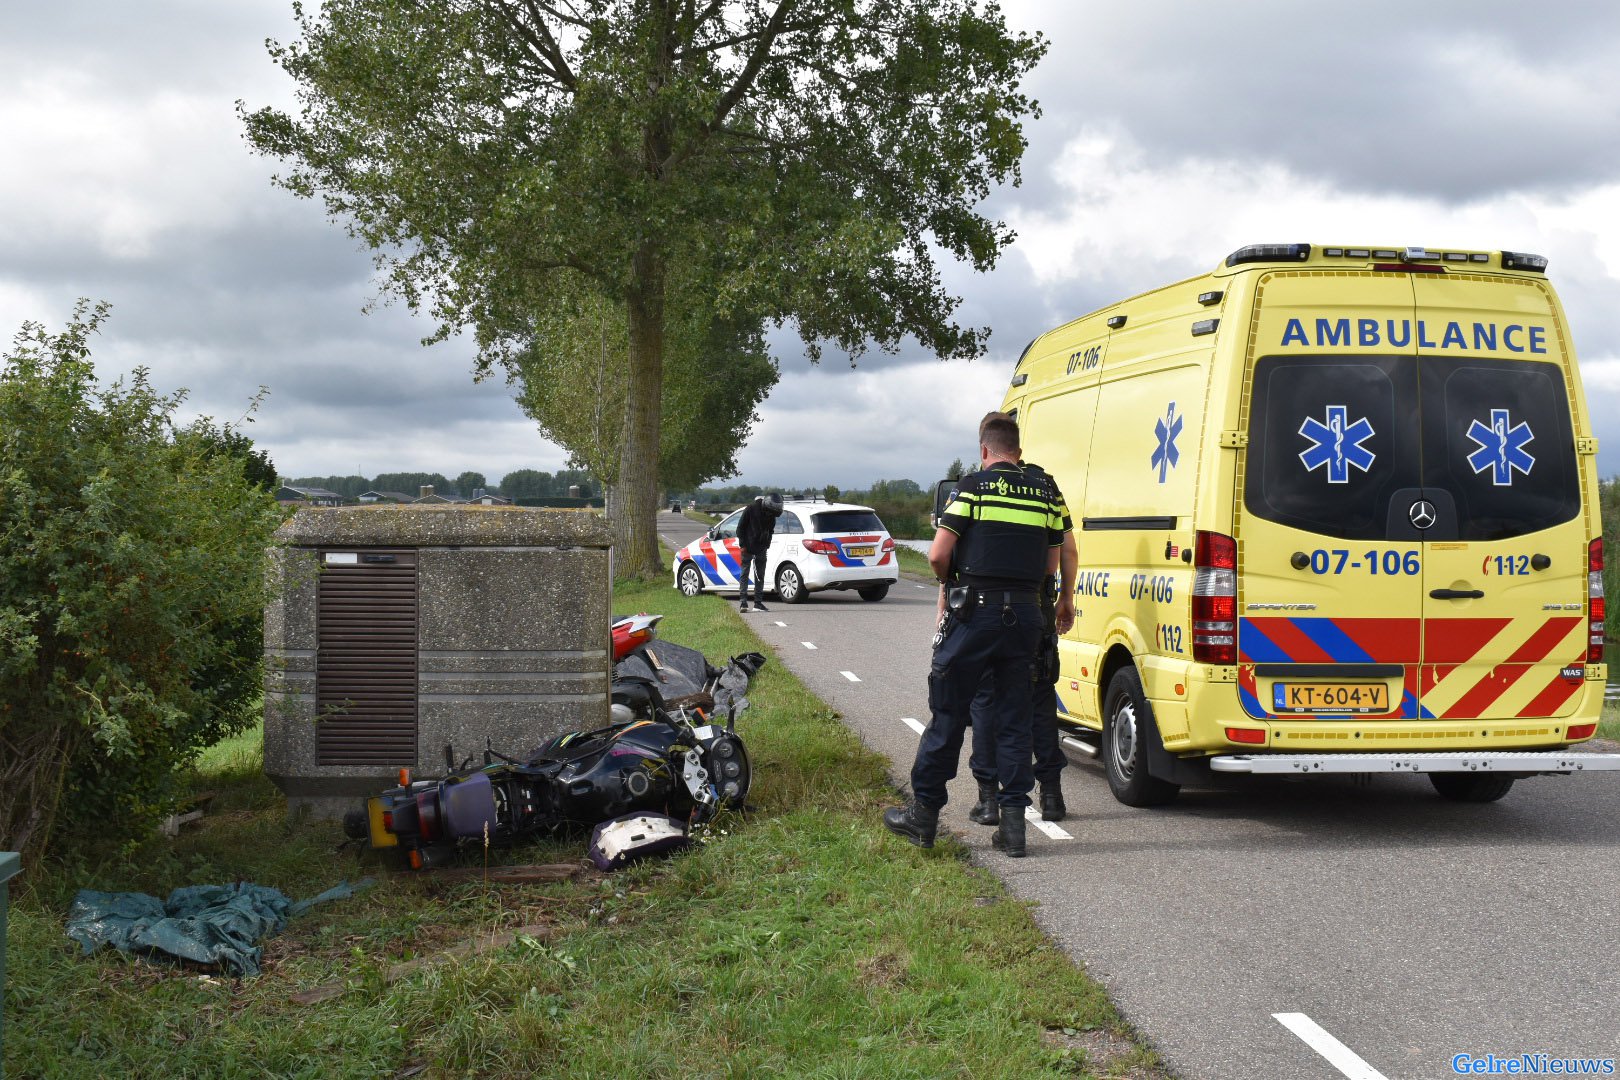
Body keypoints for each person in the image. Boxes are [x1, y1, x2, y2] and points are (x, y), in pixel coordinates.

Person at [883, 415, 1070, 858]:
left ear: (985, 451)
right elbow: (1051, 564)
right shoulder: (1045, 492)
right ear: (1018, 452)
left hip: (975, 616)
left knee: (949, 714)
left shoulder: (972, 488)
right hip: (1026, 617)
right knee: (1014, 720)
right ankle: (1013, 829)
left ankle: (924, 815)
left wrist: (954, 584)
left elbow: (936, 556)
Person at [967, 457, 1078, 825]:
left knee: (986, 701)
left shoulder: (980, 486)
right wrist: (1065, 598)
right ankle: (1051, 795)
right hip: (1037, 612)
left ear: (988, 450)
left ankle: (988, 800)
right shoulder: (1046, 488)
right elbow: (1067, 551)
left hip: (987, 609)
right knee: (1040, 700)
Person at [736, 492, 782, 612]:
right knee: (744, 573)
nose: (771, 514)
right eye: (771, 511)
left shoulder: (771, 515)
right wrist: (743, 545)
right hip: (747, 547)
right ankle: (743, 602)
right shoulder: (750, 509)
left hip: (761, 548)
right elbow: (740, 528)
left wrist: (767, 545)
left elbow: (770, 531)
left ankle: (758, 603)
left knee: (760, 575)